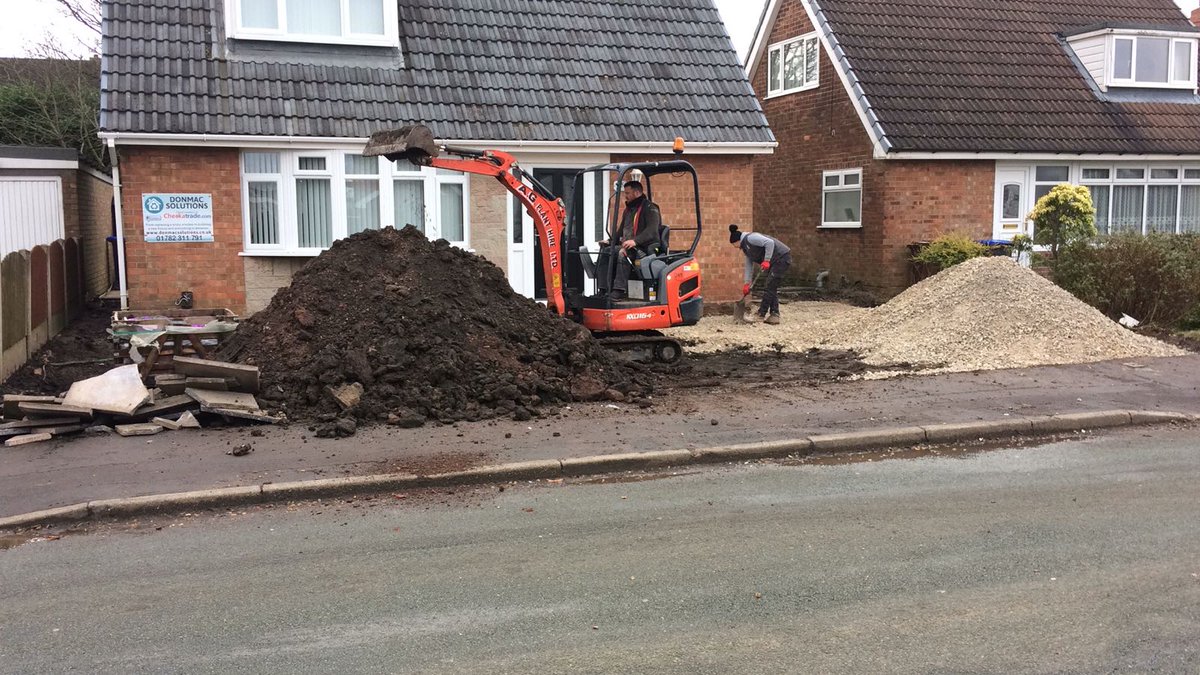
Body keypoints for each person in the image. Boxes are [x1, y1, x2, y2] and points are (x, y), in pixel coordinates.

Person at [597, 180, 661, 300]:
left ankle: (619, 290)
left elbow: (652, 231)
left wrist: (635, 241)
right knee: (606, 252)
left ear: (637, 193)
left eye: (628, 193)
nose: (625, 196)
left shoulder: (650, 208)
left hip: (645, 247)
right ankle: (604, 289)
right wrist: (610, 242)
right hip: (629, 245)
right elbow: (621, 230)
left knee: (623, 253)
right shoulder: (628, 210)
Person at [729, 224, 791, 324]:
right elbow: (749, 265)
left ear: (737, 241)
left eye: (734, 245)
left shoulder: (751, 238)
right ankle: (775, 315)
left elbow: (769, 243)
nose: (735, 247)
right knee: (771, 286)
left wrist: (766, 260)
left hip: (781, 257)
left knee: (769, 286)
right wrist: (747, 283)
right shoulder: (746, 248)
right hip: (775, 261)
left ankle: (760, 315)